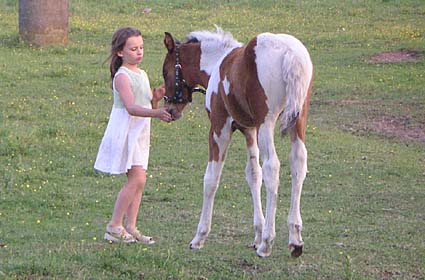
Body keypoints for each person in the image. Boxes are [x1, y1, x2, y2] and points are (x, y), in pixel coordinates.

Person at [94, 27, 172, 244]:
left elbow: (145, 103)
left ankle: (131, 226)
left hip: (141, 130)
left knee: (140, 180)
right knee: (136, 178)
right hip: (126, 129)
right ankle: (114, 226)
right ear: (120, 52)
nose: (139, 52)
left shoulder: (142, 74)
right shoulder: (122, 77)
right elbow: (131, 107)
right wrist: (156, 112)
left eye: (141, 48)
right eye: (133, 49)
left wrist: (155, 99)